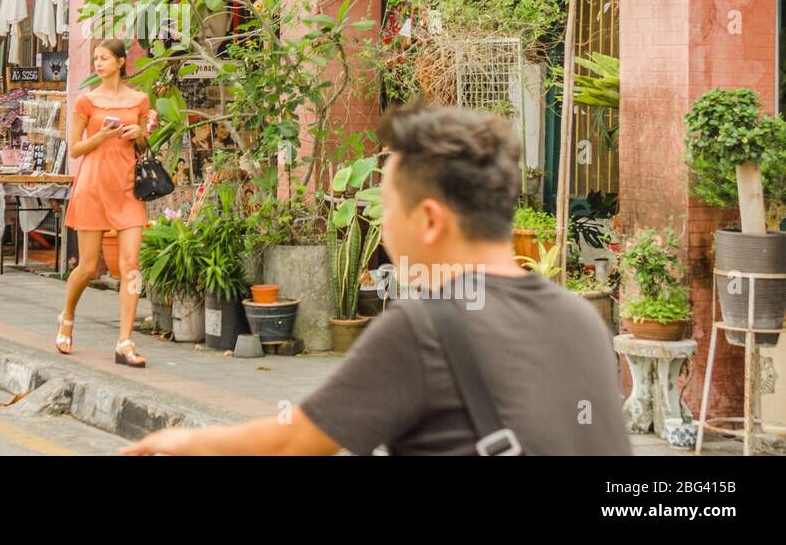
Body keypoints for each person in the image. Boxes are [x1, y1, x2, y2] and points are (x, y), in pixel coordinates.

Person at [123, 103, 632, 456]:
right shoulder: (582, 319)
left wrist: (180, 441)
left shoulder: (422, 329)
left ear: (430, 220)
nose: (383, 225)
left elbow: (293, 443)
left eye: (388, 208)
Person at [57, 39, 158, 367]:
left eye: (104, 58)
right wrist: (100, 136)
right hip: (93, 188)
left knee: (131, 266)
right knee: (87, 267)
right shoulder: (87, 101)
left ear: (120, 61)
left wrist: (136, 133)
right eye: (96, 59)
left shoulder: (139, 99)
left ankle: (125, 341)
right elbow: (74, 149)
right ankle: (67, 316)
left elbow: (143, 141)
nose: (98, 64)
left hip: (128, 188)